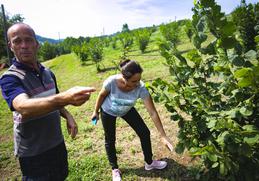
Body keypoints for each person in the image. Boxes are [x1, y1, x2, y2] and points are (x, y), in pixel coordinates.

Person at [0, 23, 95, 180]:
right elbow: (23, 106)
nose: (24, 46)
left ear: (37, 44)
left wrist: (68, 115)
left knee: (61, 176)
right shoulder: (10, 78)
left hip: (56, 143)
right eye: (17, 41)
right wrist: (66, 98)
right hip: (33, 152)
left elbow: (54, 100)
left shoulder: (48, 73)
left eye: (29, 40)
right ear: (10, 46)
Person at [91, 59, 173, 181]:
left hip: (126, 109)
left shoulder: (141, 88)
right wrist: (95, 111)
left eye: (139, 80)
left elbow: (152, 112)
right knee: (110, 139)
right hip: (108, 111)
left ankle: (149, 163)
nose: (137, 83)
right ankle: (115, 169)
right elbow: (102, 95)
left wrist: (163, 135)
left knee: (144, 132)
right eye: (134, 81)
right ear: (124, 78)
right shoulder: (112, 82)